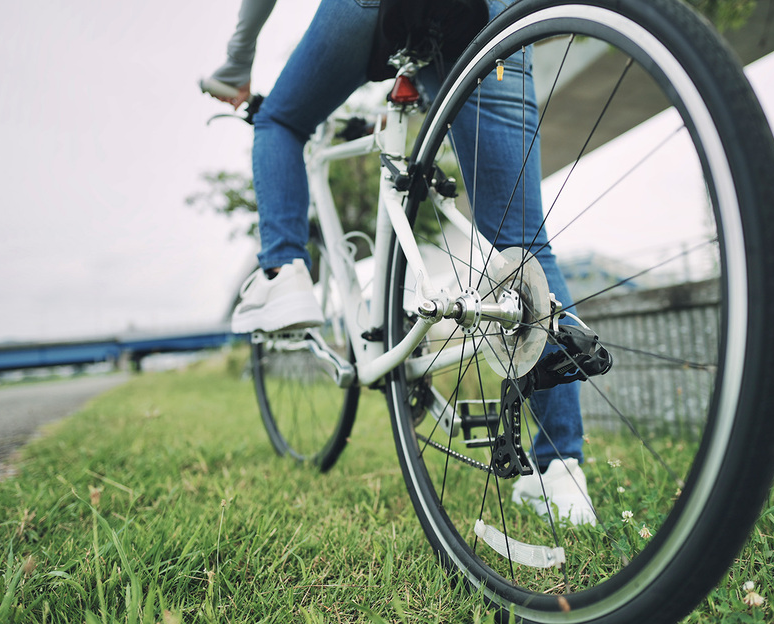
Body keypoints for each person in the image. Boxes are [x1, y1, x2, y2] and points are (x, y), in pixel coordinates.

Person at [206, 0, 597, 526]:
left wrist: (237, 61)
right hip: (490, 13)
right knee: (522, 242)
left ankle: (284, 271)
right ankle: (563, 478)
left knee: (278, 121)